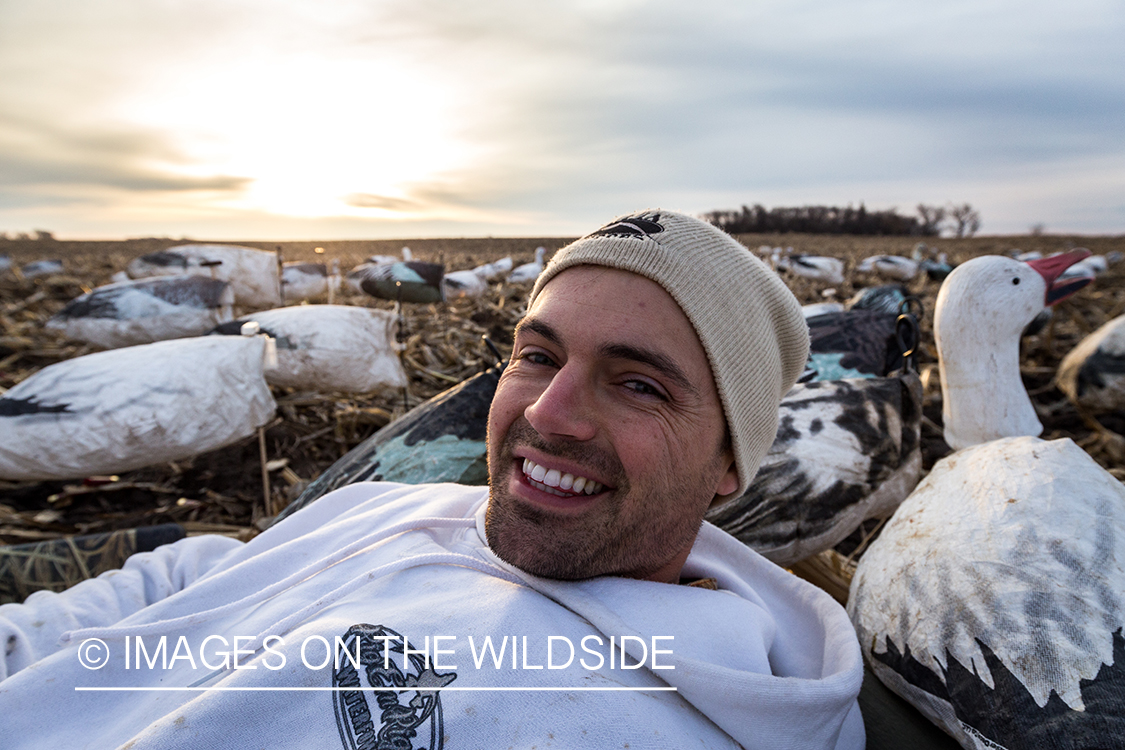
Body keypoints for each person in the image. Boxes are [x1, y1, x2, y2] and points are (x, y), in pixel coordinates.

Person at [0, 210, 864, 749]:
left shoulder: (709, 710)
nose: (550, 414)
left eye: (638, 384)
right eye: (536, 356)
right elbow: (188, 585)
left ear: (729, 462)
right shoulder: (384, 509)